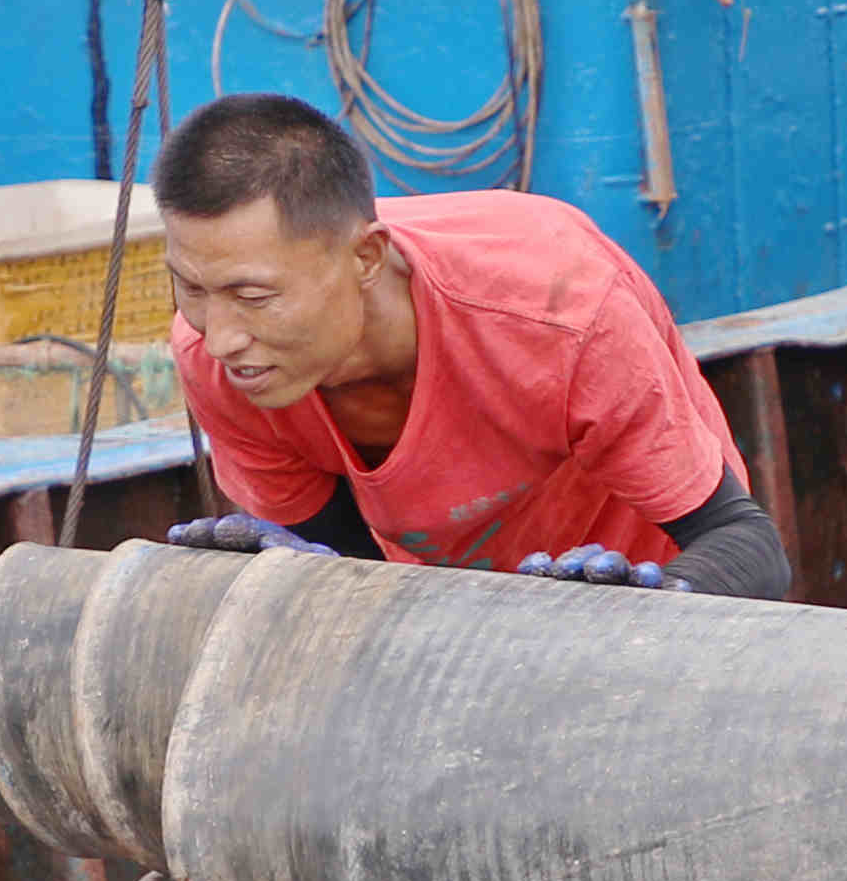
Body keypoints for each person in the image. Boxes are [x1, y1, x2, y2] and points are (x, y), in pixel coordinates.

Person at [145, 93, 790, 596]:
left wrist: (654, 601)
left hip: (656, 601)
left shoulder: (561, 311)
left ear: (368, 258)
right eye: (190, 287)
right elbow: (357, 572)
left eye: (254, 297)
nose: (222, 334)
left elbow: (748, 545)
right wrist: (291, 582)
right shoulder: (216, 357)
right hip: (452, 614)